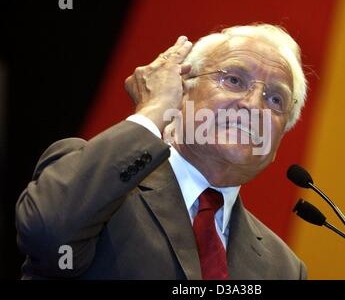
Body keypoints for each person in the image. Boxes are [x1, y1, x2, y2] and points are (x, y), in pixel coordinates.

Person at [15, 24, 308, 279]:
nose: (254, 105)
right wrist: (154, 111)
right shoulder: (99, 186)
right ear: (181, 91)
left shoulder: (283, 268)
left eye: (275, 99)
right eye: (233, 80)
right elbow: (47, 235)